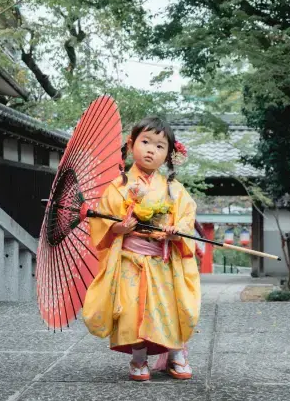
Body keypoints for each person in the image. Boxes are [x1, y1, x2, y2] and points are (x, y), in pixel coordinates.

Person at [82, 116, 199, 381]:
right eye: (145, 142)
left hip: (163, 260)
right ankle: (138, 359)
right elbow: (103, 221)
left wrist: (175, 230)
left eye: (160, 146)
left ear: (169, 155)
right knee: (132, 309)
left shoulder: (173, 189)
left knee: (169, 308)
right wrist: (117, 229)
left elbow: (186, 218)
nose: (151, 150)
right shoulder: (118, 187)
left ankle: (175, 354)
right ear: (131, 144)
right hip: (129, 260)